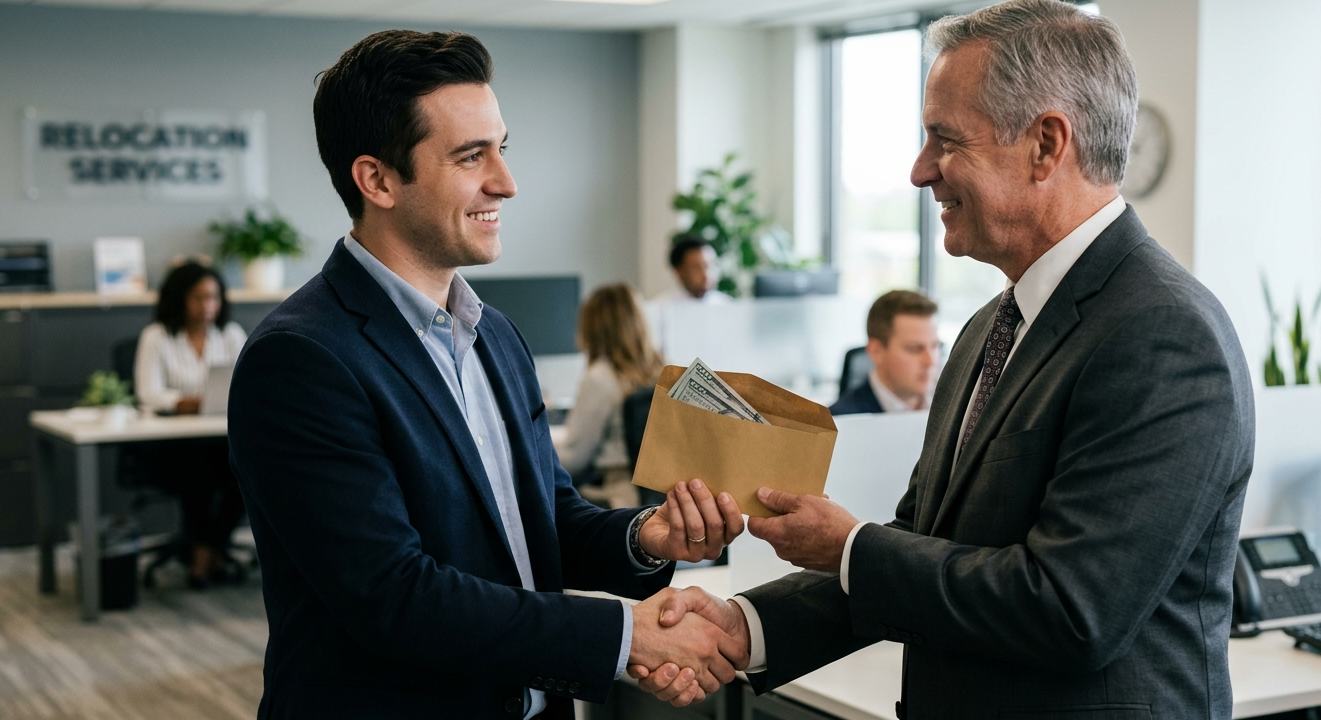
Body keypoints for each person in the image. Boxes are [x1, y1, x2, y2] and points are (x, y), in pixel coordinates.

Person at [635, 1, 1255, 717]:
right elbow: (927, 545)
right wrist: (746, 627)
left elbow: (1069, 609)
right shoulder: (988, 328)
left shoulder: (1165, 336)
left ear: (1046, 145)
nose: (919, 170)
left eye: (944, 139)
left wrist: (849, 548)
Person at [227, 30, 745, 718]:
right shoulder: (301, 359)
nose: (505, 181)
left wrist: (646, 536)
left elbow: (541, 518)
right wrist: (626, 636)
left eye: (502, 148)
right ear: (377, 179)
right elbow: (392, 595)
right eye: (472, 156)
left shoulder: (492, 333)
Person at [134, 259, 247, 589]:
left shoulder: (230, 335)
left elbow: (245, 382)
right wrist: (185, 403)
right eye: (198, 297)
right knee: (198, 471)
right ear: (179, 298)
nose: (207, 306)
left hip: (220, 437)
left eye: (213, 297)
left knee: (249, 469)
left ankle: (207, 547)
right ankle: (205, 555)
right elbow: (148, 393)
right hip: (171, 444)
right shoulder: (157, 337)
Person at [553, 283, 664, 508]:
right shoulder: (660, 370)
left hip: (618, 497)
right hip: (658, 498)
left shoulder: (600, 377)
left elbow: (575, 459)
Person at [830, 289, 940, 415]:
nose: (930, 361)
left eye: (935, 346)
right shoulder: (839, 423)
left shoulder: (953, 411)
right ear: (876, 351)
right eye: (914, 348)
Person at [656, 236, 729, 303]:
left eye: (710, 266)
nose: (706, 275)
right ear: (679, 271)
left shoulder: (727, 305)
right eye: (697, 268)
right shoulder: (659, 308)